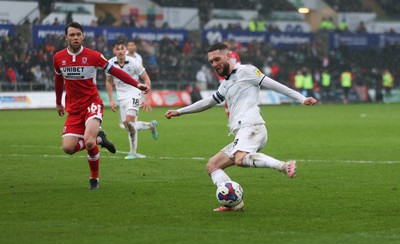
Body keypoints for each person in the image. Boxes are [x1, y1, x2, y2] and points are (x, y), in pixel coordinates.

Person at [165, 42, 317, 212]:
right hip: (242, 132)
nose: (214, 64)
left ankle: (283, 166)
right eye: (211, 62)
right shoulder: (225, 84)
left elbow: (275, 85)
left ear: (228, 55)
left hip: (252, 127)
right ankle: (234, 203)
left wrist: (301, 98)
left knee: (239, 160)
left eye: (217, 59)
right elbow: (208, 102)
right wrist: (180, 111)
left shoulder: (247, 71)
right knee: (212, 166)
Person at [53, 22, 149, 190]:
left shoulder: (94, 56)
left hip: (92, 103)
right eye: (72, 35)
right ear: (66, 37)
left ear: (83, 37)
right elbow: (58, 79)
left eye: (78, 34)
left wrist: (136, 84)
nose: (75, 37)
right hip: (73, 108)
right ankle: (100, 139)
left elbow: (115, 71)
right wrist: (58, 102)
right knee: (68, 148)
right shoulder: (58, 58)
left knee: (89, 143)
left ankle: (94, 179)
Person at [105, 39, 158, 160]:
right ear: (114, 51)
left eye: (122, 48)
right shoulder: (110, 63)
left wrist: (146, 97)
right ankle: (151, 126)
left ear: (126, 50)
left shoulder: (134, 62)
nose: (120, 51)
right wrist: (111, 100)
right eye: (117, 49)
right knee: (128, 126)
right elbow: (108, 81)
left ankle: (133, 152)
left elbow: (147, 79)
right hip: (121, 97)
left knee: (129, 122)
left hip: (134, 93)